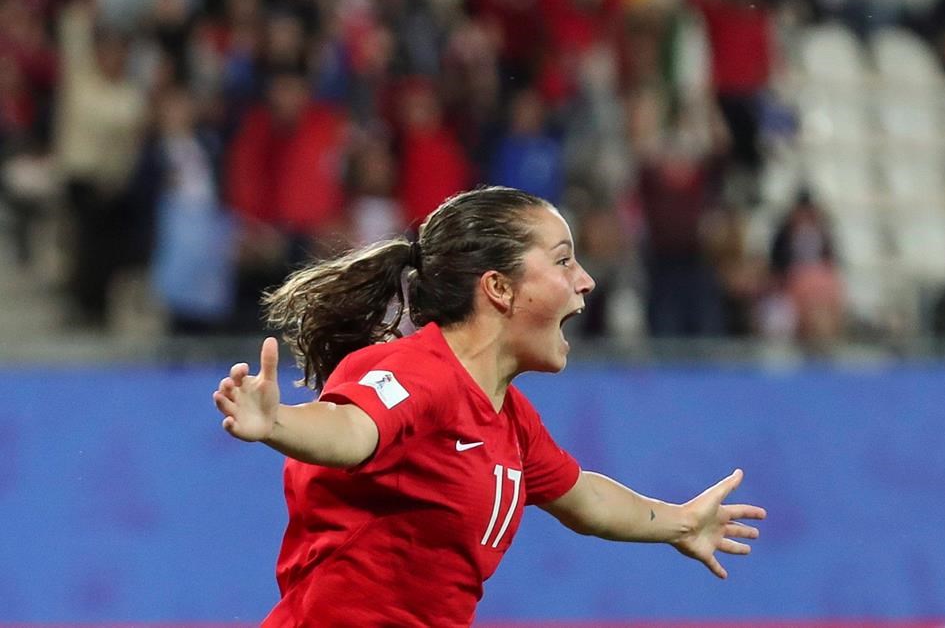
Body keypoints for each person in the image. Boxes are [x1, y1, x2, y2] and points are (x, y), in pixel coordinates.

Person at [212, 186, 766, 627]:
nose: (586, 281)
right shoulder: (418, 371)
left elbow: (586, 499)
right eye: (564, 261)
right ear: (499, 288)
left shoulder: (511, 418)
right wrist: (277, 422)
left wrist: (680, 522)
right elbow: (351, 429)